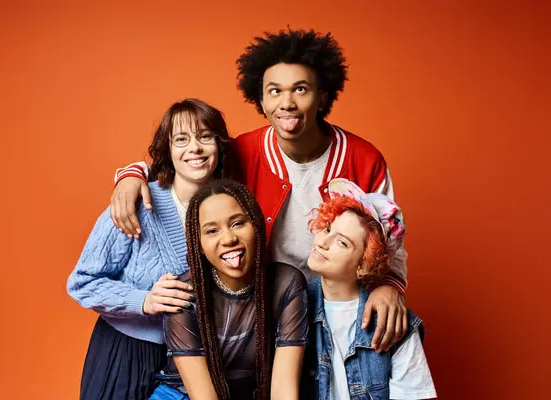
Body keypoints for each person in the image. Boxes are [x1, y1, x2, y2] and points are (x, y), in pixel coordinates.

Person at [110, 28, 407, 352]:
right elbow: (185, 166)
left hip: (339, 304)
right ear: (260, 100)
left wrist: (389, 285)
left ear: (322, 96)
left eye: (301, 89)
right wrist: (131, 174)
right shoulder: (243, 151)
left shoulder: (364, 159)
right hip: (261, 308)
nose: (287, 103)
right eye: (274, 91)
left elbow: (389, 239)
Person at [66, 98, 231, 400]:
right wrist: (144, 301)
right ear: (168, 150)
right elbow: (82, 283)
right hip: (125, 351)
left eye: (204, 136)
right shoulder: (136, 205)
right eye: (181, 139)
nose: (194, 148)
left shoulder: (229, 209)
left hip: (194, 361)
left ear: (219, 145)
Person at [151, 180, 308, 400]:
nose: (228, 239)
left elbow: (284, 390)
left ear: (256, 225)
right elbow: (203, 396)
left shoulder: (286, 283)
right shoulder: (184, 293)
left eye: (237, 223)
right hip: (181, 394)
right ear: (200, 245)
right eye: (212, 231)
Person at [303, 178, 436, 400]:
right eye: (327, 228)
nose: (323, 242)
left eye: (342, 242)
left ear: (365, 264)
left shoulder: (395, 325)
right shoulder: (293, 307)